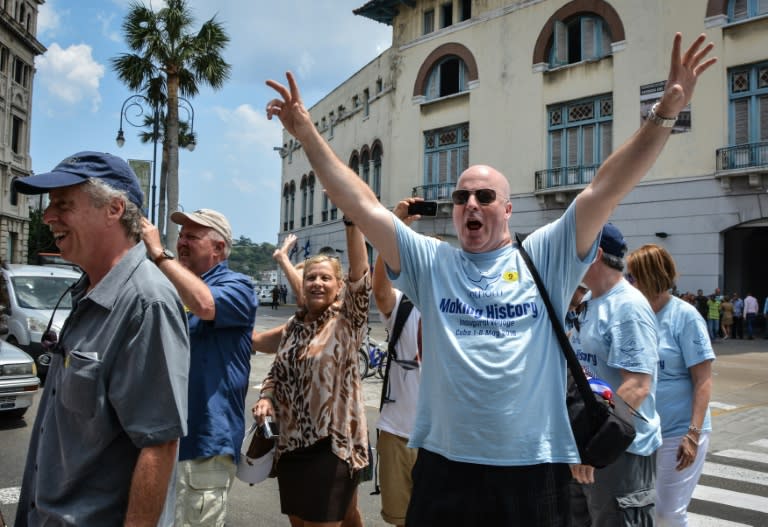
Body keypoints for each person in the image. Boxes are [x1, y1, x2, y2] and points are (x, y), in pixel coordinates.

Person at [264, 33, 715, 524]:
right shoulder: (433, 262)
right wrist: (306, 133)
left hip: (535, 468)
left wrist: (666, 111)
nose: (471, 205)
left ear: (507, 208)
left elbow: (606, 186)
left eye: (483, 196)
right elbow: (361, 205)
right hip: (445, 467)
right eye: (462, 198)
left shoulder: (545, 254)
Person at [12, 151, 190, 526]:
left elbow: (158, 443)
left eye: (63, 203)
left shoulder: (146, 301)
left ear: (114, 209)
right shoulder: (88, 291)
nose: (48, 216)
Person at [142, 208, 258, 526]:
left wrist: (158, 254)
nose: (181, 242)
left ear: (218, 248)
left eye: (192, 236)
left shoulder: (238, 287)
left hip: (204, 443)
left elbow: (206, 305)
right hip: (164, 439)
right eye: (180, 235)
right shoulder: (178, 287)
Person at [252, 218, 370, 527]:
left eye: (325, 278)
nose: (317, 282)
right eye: (311, 278)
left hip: (331, 445)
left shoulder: (346, 322)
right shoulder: (294, 326)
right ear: (302, 285)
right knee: (301, 521)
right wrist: (266, 398)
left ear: (338, 285)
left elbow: (361, 276)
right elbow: (276, 372)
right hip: (290, 445)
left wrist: (351, 224)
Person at [571, 224, 661, 526]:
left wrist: (597, 449)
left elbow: (637, 386)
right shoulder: (588, 303)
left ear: (594, 254)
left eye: (574, 249)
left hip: (617, 451)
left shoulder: (628, 307)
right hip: (586, 449)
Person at [626, 244, 714, 526]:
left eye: (633, 276)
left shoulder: (685, 317)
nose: (629, 283)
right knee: (646, 509)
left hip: (679, 432)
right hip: (644, 432)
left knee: (668, 513)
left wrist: (693, 434)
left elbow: (703, 380)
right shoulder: (635, 314)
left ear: (651, 277)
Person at [372, 198, 424, 527]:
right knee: (401, 518)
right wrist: (395, 229)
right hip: (397, 430)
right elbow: (379, 291)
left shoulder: (460, 303)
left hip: (442, 437)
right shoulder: (403, 303)